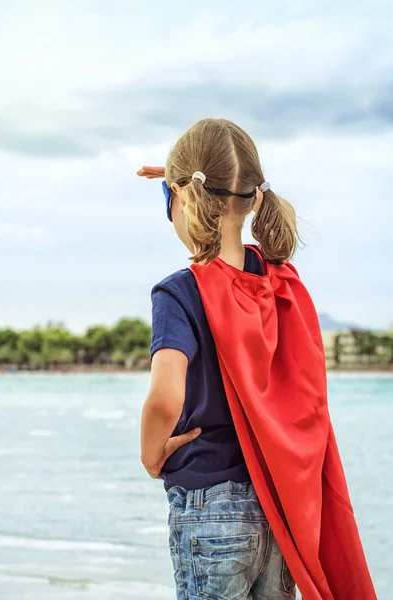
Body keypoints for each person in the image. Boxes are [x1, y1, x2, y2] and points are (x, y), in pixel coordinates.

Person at [138, 119, 377, 600]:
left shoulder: (180, 292)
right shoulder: (279, 283)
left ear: (183, 199)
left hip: (211, 509)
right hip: (276, 512)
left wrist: (150, 454)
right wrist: (187, 180)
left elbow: (166, 398)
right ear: (254, 199)